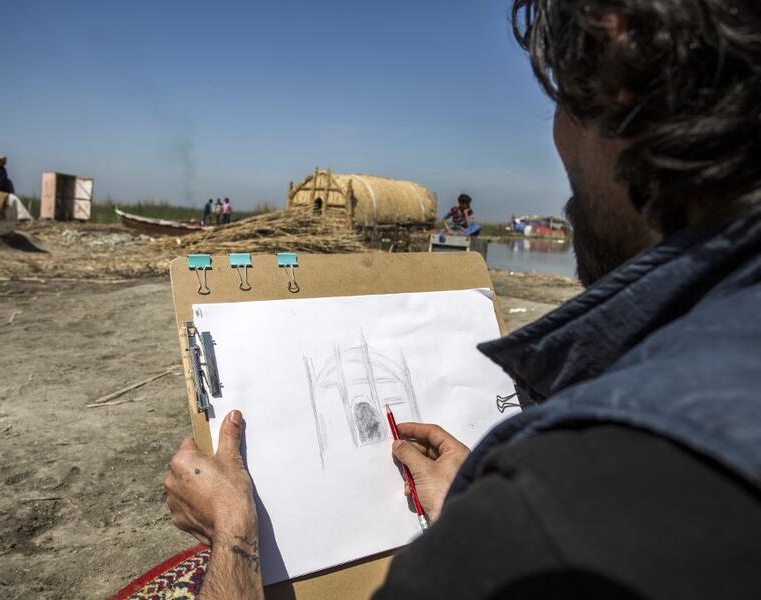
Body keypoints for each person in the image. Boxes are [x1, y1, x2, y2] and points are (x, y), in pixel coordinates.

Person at [164, 2, 761, 598]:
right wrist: (467, 506)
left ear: (619, 67)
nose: (557, 139)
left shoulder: (556, 510)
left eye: (564, 99)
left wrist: (235, 535)